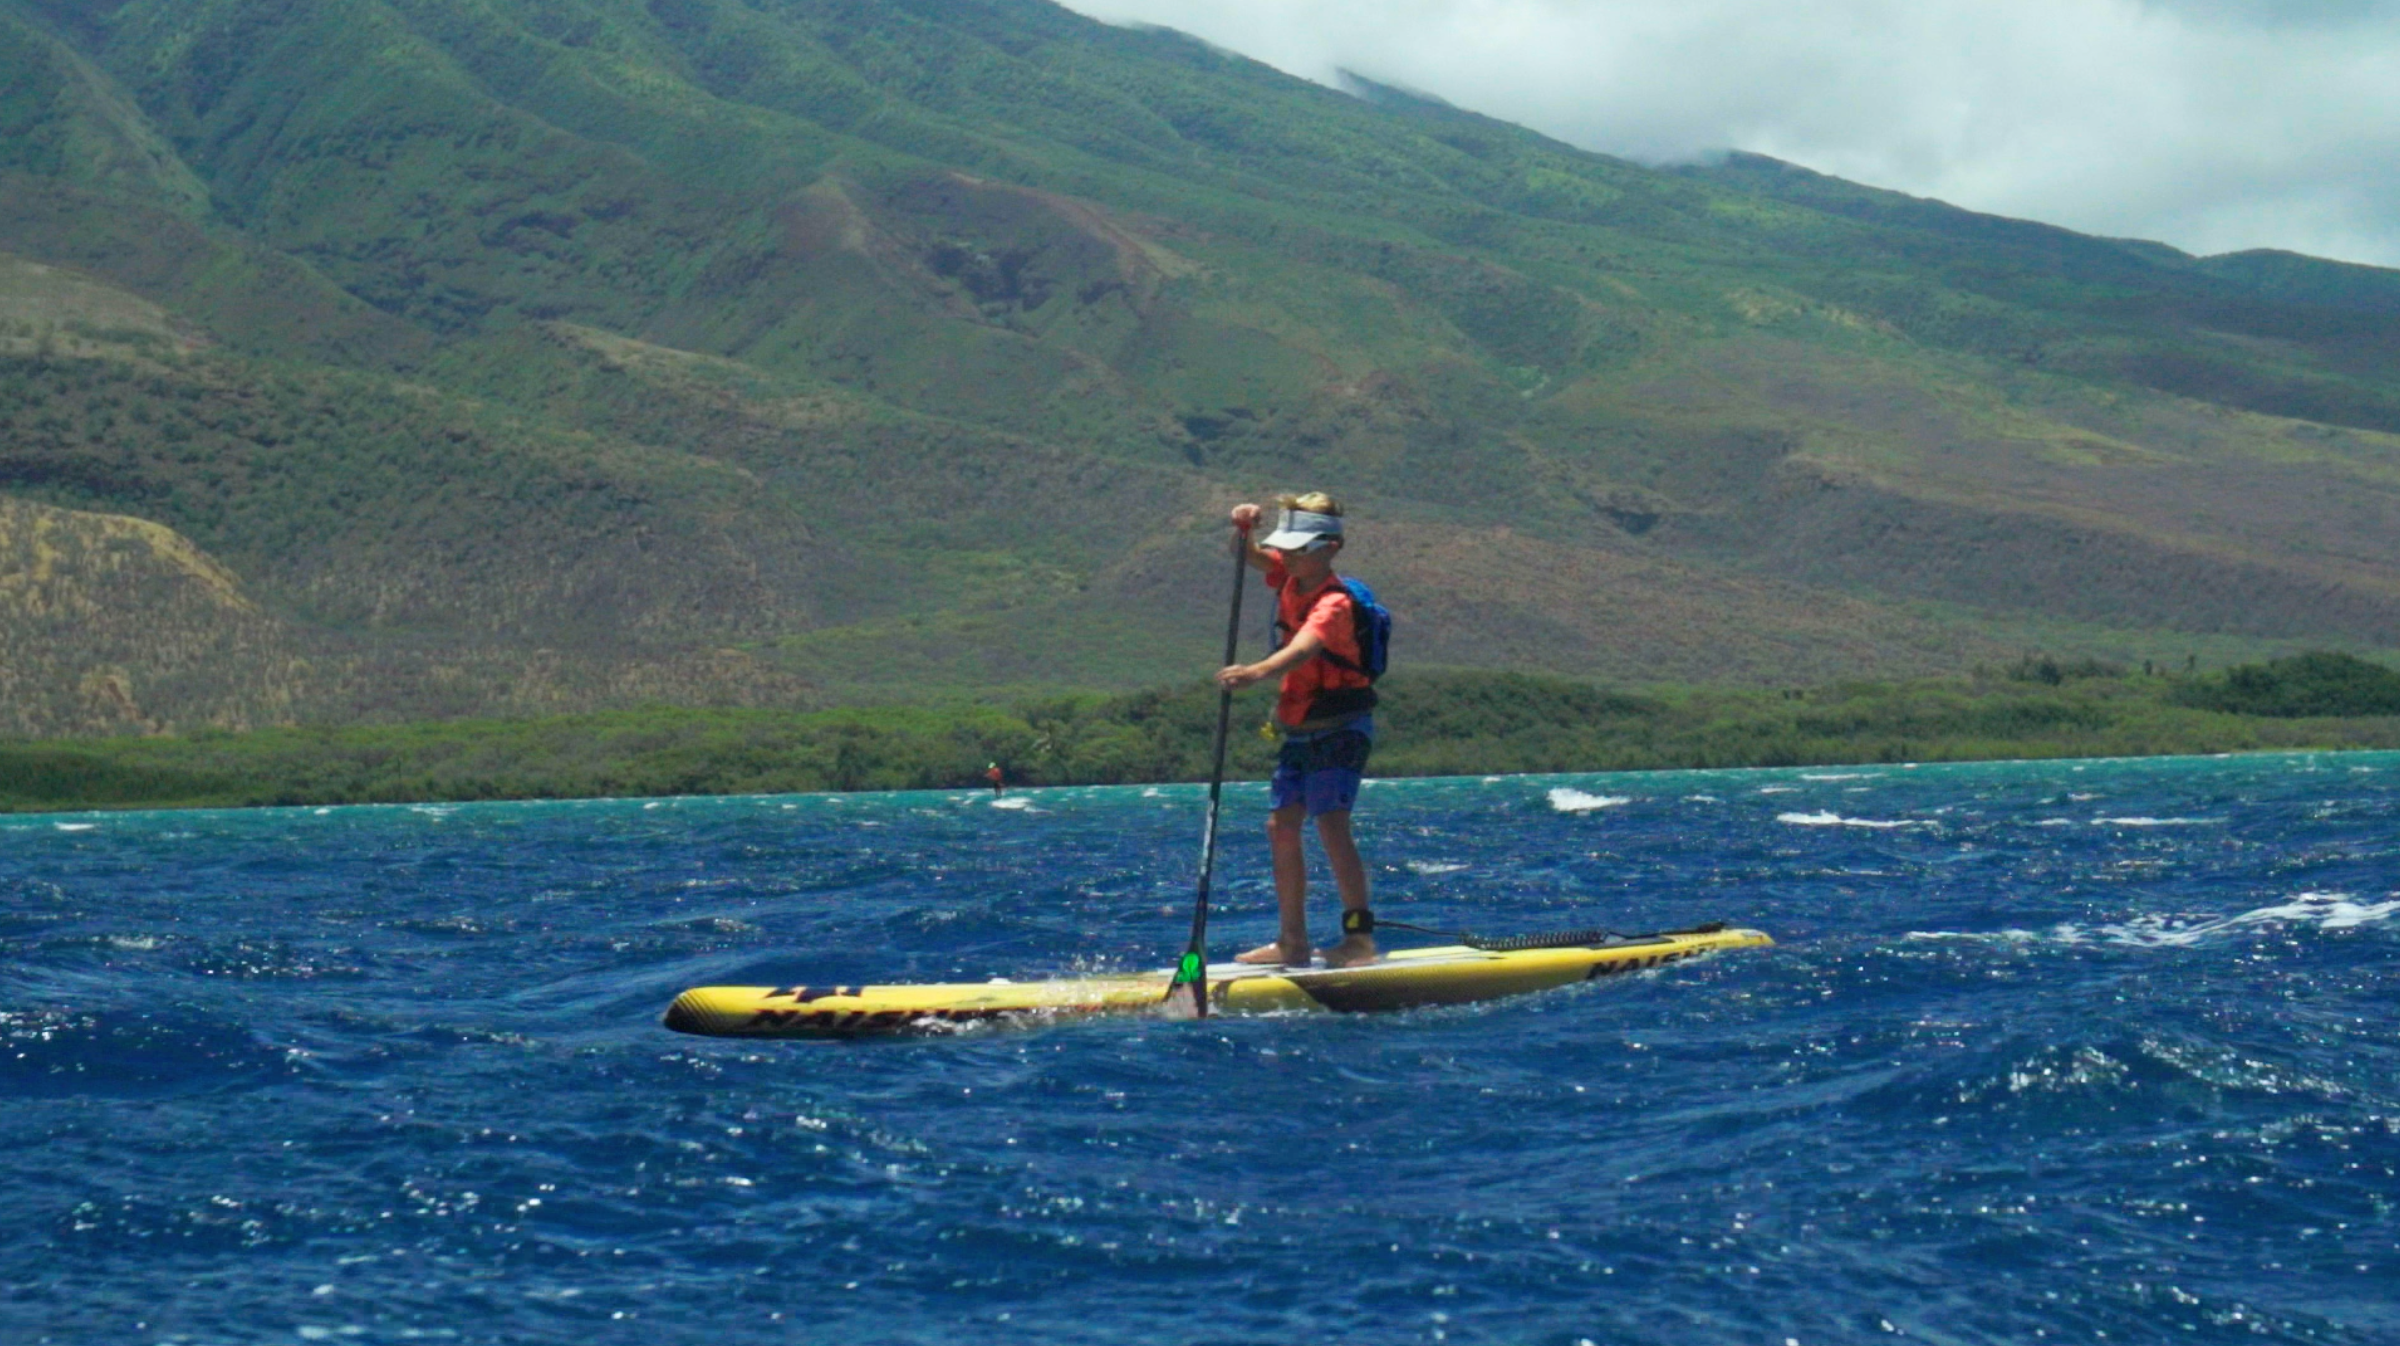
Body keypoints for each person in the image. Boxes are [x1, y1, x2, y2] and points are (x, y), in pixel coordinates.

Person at [1215, 493, 1379, 968]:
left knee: (1330, 824)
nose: (1286, 556)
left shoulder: (1334, 603)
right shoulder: (1287, 575)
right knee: (1280, 826)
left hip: (1342, 728)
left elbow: (1303, 649)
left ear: (1330, 548)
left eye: (1297, 549)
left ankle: (1359, 941)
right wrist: (1243, 526)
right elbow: (1242, 554)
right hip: (1300, 728)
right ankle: (1293, 942)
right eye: (1284, 548)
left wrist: (1255, 673)